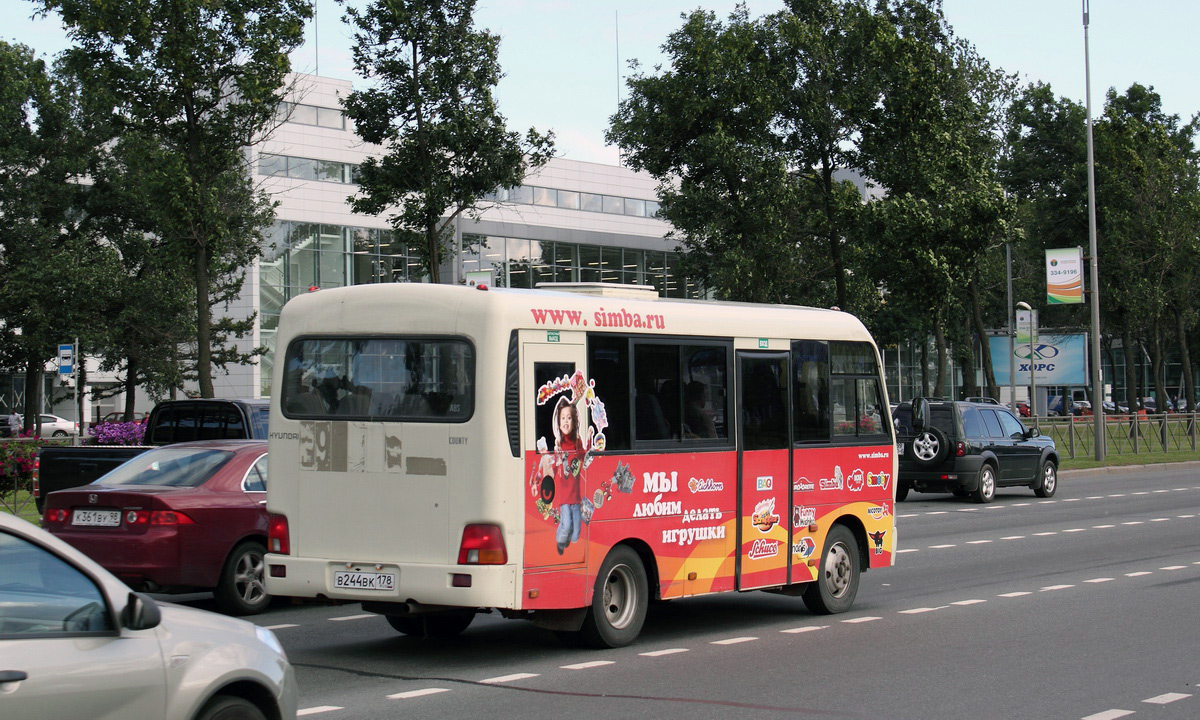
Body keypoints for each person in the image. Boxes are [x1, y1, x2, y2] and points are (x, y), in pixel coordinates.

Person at [551, 395, 590, 555]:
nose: (566, 421)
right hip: (565, 498)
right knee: (566, 526)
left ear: (574, 422)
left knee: (576, 534)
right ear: (558, 423)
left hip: (576, 497)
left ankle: (568, 538)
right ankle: (560, 541)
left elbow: (582, 456)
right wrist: (558, 459)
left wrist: (588, 442)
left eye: (569, 418)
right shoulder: (558, 444)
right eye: (563, 418)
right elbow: (554, 468)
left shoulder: (577, 442)